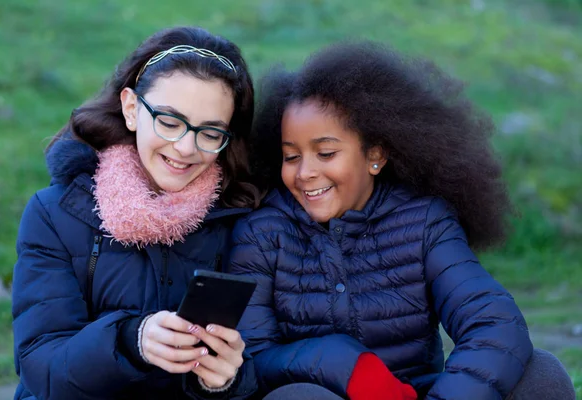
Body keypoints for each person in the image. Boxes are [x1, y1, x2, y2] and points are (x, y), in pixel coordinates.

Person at [228, 41, 576, 399]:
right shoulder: (261, 233)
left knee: (542, 373)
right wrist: (339, 364)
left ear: (375, 155)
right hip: (323, 394)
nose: (305, 172)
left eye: (326, 153)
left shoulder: (425, 221)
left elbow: (495, 325)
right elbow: (252, 358)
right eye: (291, 156)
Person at [12, 26, 265, 400]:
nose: (185, 147)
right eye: (169, 121)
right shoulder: (54, 214)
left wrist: (225, 382)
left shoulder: (242, 218)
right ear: (132, 109)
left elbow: (263, 358)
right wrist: (132, 340)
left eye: (210, 133)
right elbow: (41, 369)